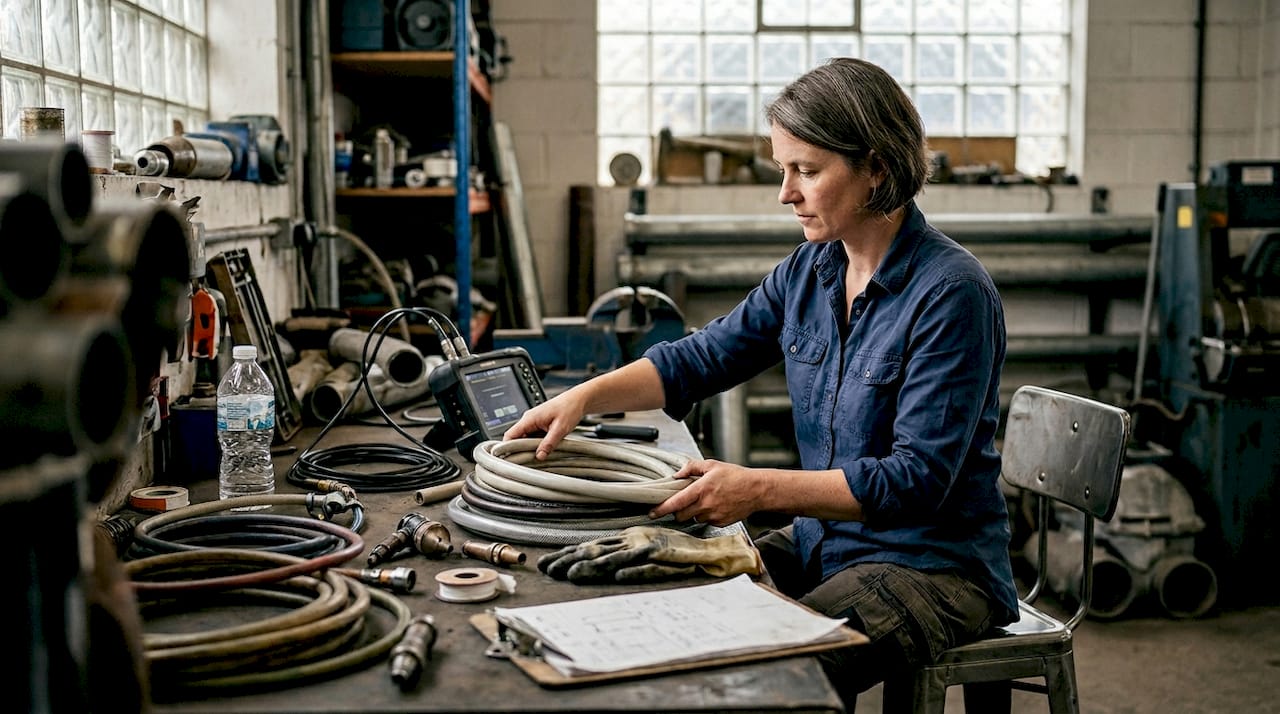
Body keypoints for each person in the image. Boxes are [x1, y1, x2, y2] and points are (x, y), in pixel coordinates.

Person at [503, 56, 1018, 709]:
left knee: (766, 677)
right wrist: (581, 398)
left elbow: (915, 480)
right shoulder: (810, 271)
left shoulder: (951, 292)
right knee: (673, 605)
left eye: (807, 170)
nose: (786, 193)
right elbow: (701, 358)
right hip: (827, 541)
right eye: (782, 169)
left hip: (932, 564)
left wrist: (756, 490)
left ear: (877, 168)